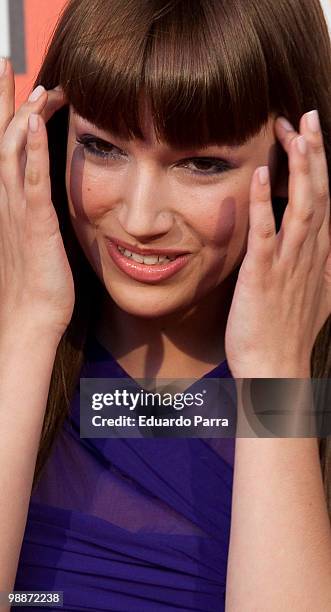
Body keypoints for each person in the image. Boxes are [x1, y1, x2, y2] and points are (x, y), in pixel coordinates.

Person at [0, 0, 330, 609]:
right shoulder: (21, 338)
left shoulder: (303, 380)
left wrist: (275, 374)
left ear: (292, 163)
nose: (138, 218)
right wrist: (26, 324)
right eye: (102, 147)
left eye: (201, 163)